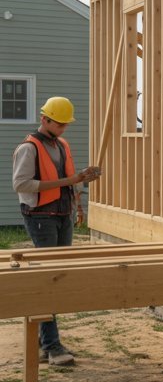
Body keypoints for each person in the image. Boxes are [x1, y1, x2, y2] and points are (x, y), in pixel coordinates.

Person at [11, 96, 101, 367]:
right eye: (58, 123)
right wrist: (68, 181)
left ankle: (44, 341)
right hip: (41, 217)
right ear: (44, 119)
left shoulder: (62, 145)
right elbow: (21, 184)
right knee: (47, 279)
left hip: (63, 214)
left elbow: (69, 180)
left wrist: (81, 191)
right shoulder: (29, 148)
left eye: (65, 125)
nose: (62, 129)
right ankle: (52, 345)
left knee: (58, 276)